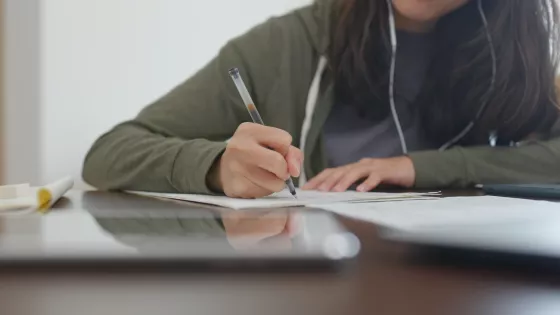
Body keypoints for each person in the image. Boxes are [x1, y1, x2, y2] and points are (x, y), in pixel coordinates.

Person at [83, 0, 560, 199]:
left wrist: (420, 167)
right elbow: (109, 152)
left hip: (460, 282)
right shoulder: (288, 45)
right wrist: (216, 167)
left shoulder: (517, 52)